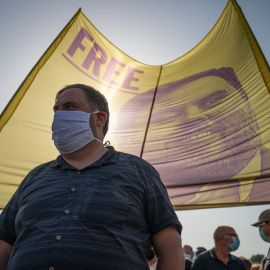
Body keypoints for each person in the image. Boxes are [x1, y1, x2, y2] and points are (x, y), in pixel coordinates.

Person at [0, 84, 185, 270]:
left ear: (99, 118)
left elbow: (170, 248)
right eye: (56, 109)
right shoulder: (35, 176)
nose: (59, 115)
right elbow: (4, 244)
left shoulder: (138, 171)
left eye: (69, 106)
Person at [117, 67, 270, 206]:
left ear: (249, 105)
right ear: (134, 141)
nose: (195, 117)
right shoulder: (140, 201)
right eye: (167, 117)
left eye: (214, 101)